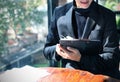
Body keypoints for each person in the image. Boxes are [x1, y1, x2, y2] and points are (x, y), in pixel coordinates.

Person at [43, 0, 120, 79]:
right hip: (70, 77)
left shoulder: (107, 15)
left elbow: (113, 58)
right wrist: (57, 50)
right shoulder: (59, 13)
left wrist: (80, 58)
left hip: (99, 77)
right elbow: (47, 50)